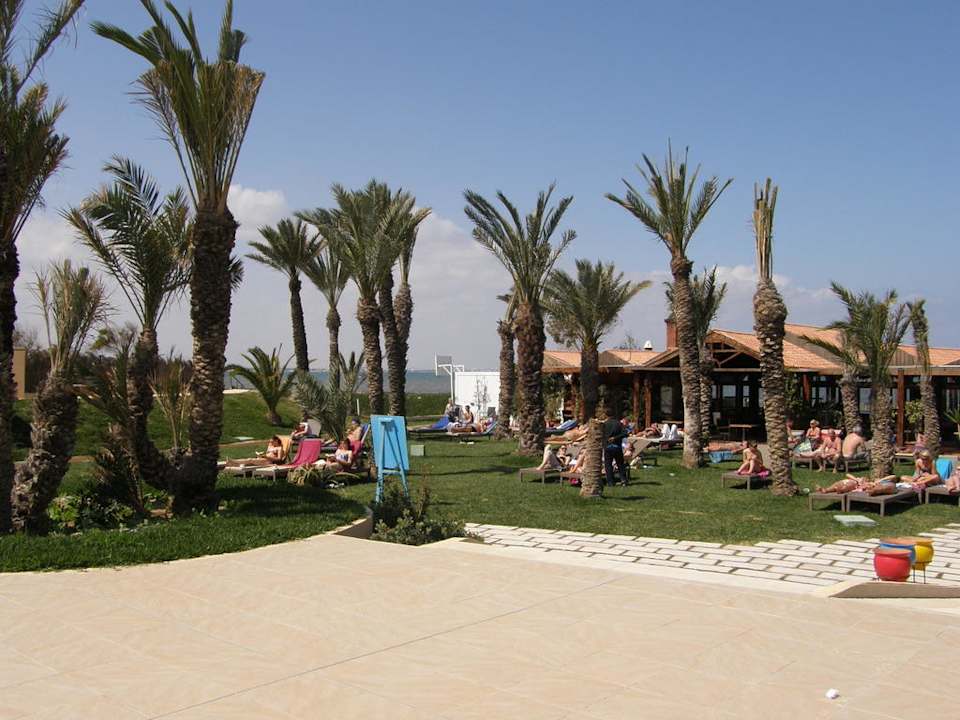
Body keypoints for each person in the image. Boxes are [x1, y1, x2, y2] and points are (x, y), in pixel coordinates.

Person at [603, 414, 629, 487]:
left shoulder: (604, 424)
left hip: (607, 447)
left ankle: (610, 482)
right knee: (620, 464)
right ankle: (623, 480)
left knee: (608, 465)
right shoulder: (619, 424)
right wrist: (615, 438)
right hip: (617, 446)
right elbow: (625, 433)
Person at [815, 474, 896, 496]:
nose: (863, 479)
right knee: (842, 482)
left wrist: (879, 480)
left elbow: (894, 476)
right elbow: (847, 474)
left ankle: (841, 489)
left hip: (881, 486)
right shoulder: (857, 480)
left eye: (865, 478)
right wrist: (856, 479)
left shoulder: (875, 482)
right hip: (854, 484)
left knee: (849, 484)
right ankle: (826, 490)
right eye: (863, 477)